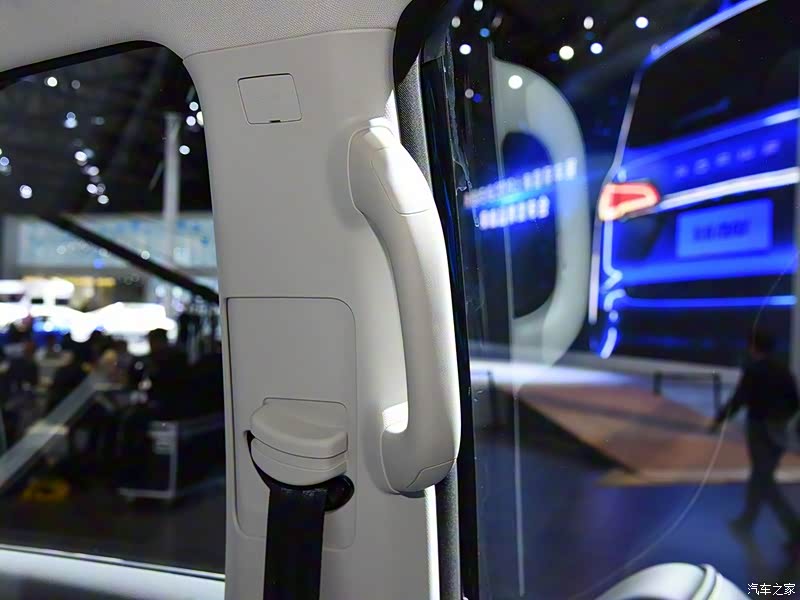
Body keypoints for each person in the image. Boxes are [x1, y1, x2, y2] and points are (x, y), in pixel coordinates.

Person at [711, 329, 800, 542]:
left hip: (759, 429)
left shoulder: (753, 370)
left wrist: (719, 419)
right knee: (760, 475)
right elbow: (794, 401)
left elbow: (739, 399)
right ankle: (747, 520)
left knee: (763, 479)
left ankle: (794, 528)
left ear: (753, 347)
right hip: (778, 430)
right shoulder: (783, 369)